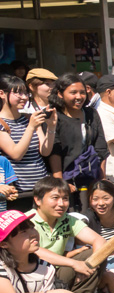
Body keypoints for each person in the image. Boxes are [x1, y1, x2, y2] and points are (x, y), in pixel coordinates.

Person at [29, 177, 114, 293]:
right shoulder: (27, 221)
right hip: (35, 276)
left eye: (65, 198)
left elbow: (98, 240)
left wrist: (89, 265)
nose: (61, 204)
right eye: (55, 198)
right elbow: (35, 251)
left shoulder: (67, 219)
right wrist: (74, 264)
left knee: (96, 254)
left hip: (59, 273)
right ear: (38, 200)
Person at [48, 73, 107, 207]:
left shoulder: (91, 113)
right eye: (73, 92)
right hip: (66, 179)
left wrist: (101, 180)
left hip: (90, 177)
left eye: (82, 92)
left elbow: (101, 147)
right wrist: (60, 181)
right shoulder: (55, 116)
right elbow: (54, 150)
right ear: (60, 94)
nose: (79, 97)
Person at [0, 74, 54, 205]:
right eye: (18, 93)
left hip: (41, 187)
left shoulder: (29, 118)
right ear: (2, 93)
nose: (24, 97)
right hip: (17, 191)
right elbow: (16, 154)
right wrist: (31, 127)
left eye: (25, 93)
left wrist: (51, 127)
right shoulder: (2, 123)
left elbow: (45, 151)